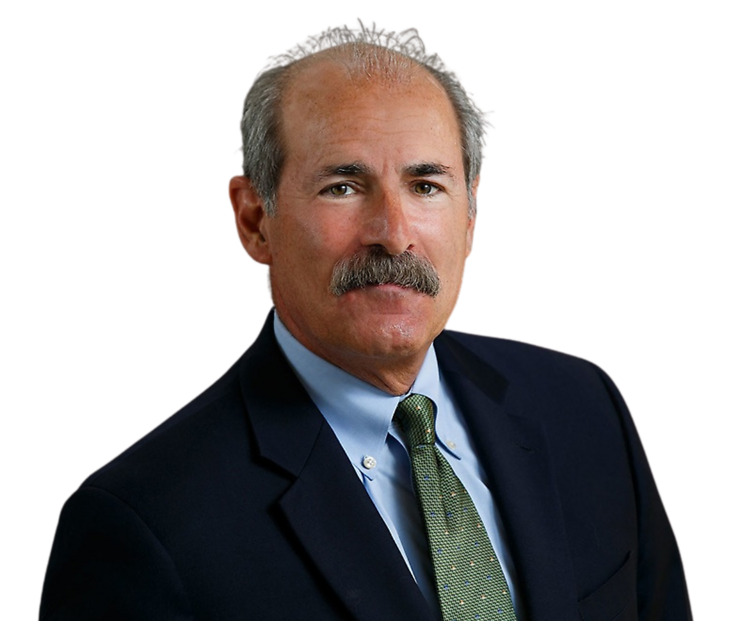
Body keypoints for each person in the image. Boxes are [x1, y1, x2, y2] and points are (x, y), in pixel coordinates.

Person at [39, 18, 692, 620]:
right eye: (343, 186)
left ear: (471, 216)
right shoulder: (144, 524)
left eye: (426, 184)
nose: (393, 233)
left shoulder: (584, 406)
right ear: (252, 220)